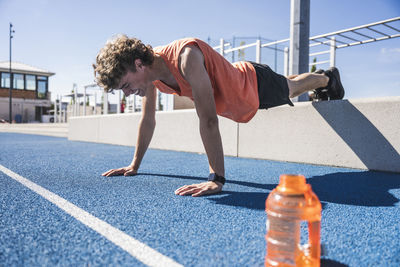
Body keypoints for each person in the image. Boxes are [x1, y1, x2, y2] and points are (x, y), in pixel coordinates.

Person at [93, 35, 344, 197]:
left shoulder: (185, 58)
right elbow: (148, 120)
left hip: (252, 84)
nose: (127, 93)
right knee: (290, 83)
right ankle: (323, 79)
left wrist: (217, 178)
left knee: (291, 87)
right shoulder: (150, 76)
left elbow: (208, 120)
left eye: (125, 85)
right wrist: (134, 165)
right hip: (238, 97)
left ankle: (327, 78)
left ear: (138, 64)